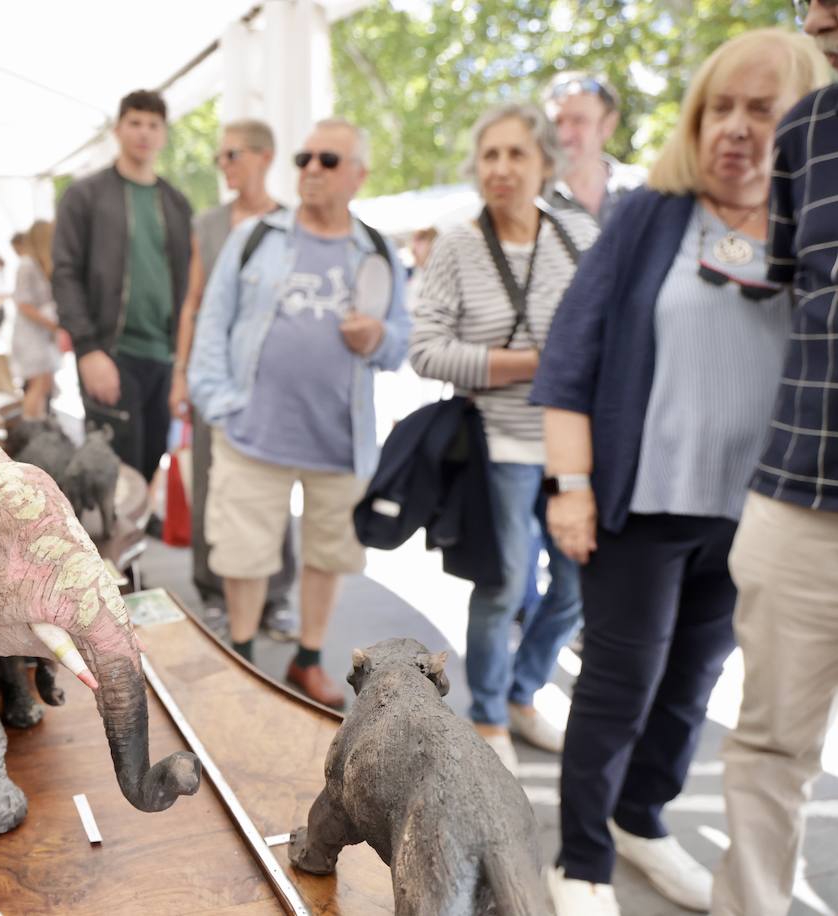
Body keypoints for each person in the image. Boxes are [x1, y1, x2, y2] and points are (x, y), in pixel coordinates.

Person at [530, 29, 829, 916]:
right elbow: (570, 358)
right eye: (718, 108)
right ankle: (580, 856)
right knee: (618, 687)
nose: (734, 129)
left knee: (694, 691)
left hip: (759, 513)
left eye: (761, 109)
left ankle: (640, 822)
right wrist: (571, 489)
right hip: (640, 505)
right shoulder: (650, 214)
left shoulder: (815, 225)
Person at [188, 118, 410, 709]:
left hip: (339, 438)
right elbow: (214, 318)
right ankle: (241, 653)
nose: (312, 168)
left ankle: (306, 658)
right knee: (242, 552)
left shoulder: (379, 249)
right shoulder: (258, 236)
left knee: (327, 554)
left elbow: (401, 343)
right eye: (305, 157)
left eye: (328, 160)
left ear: (358, 175)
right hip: (252, 431)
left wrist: (378, 335)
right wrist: (215, 401)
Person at [408, 104, 599, 771]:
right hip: (500, 445)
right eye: (490, 155)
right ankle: (488, 714)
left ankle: (523, 695)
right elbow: (427, 351)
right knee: (503, 584)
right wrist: (529, 364)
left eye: (516, 154)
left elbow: (607, 334)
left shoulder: (580, 234)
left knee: (577, 587)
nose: (501, 168)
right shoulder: (460, 242)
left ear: (544, 163)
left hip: (577, 445)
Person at [714, 7, 838, 913]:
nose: (819, 13)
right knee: (768, 750)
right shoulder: (807, 127)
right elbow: (790, 276)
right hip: (799, 495)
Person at [167, 118, 297, 642]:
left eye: (233, 155)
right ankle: (214, 592)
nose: (223, 165)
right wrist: (182, 374)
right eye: (221, 156)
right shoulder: (209, 224)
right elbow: (194, 304)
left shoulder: (295, 222)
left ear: (265, 156)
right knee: (210, 484)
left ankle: (276, 596)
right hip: (214, 376)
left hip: (273, 383)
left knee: (275, 487)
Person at [53, 89, 193, 482]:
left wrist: (185, 362)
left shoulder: (176, 204)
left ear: (164, 133)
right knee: (110, 473)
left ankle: (135, 539)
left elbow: (190, 288)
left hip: (165, 359)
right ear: (118, 129)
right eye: (135, 122)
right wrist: (88, 349)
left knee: (149, 466)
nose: (144, 133)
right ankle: (106, 544)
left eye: (153, 124)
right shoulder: (86, 195)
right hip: (110, 353)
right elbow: (64, 273)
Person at [542, 72, 645, 225]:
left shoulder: (643, 189)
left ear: (608, 125)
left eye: (578, 121)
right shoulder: (531, 198)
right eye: (557, 122)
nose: (563, 135)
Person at [11, 220, 62, 419]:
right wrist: (52, 324)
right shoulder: (27, 265)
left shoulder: (42, 264)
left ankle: (39, 423)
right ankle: (31, 427)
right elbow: (23, 303)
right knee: (38, 385)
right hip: (31, 334)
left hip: (43, 333)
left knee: (45, 384)